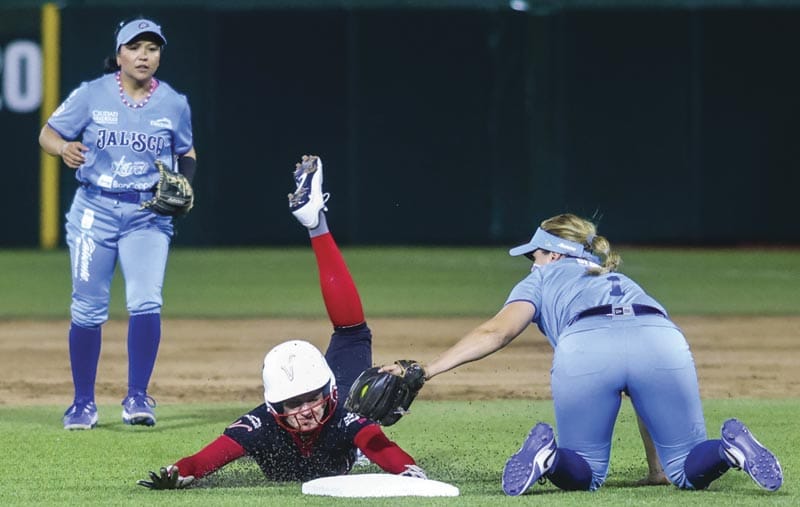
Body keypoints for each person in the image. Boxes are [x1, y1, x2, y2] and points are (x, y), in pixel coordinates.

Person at [382, 213, 783, 495]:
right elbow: (641, 385)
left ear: (554, 254)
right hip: (660, 336)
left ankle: (550, 458)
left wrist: (428, 369)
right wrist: (658, 470)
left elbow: (497, 331)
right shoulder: (617, 278)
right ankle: (729, 450)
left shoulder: (540, 279)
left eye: (535, 254)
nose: (531, 262)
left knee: (585, 472)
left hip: (586, 345)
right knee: (688, 467)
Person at [137, 155, 425, 489]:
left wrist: (408, 471)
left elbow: (382, 447)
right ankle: (316, 222)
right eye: (294, 402)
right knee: (351, 332)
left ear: (329, 390)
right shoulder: (260, 425)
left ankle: (317, 224)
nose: (305, 410)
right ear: (275, 407)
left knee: (353, 332)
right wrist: (178, 470)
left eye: (311, 397)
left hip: (343, 396)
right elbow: (204, 460)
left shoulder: (345, 415)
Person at [38, 18, 197, 430]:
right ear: (120, 54)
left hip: (148, 215)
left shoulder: (174, 103)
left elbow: (187, 150)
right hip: (95, 210)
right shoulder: (92, 94)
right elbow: (47, 133)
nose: (145, 56)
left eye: (153, 48)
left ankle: (137, 398)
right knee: (87, 308)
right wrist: (63, 148)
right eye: (136, 47)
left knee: (146, 300)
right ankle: (83, 404)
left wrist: (185, 182)